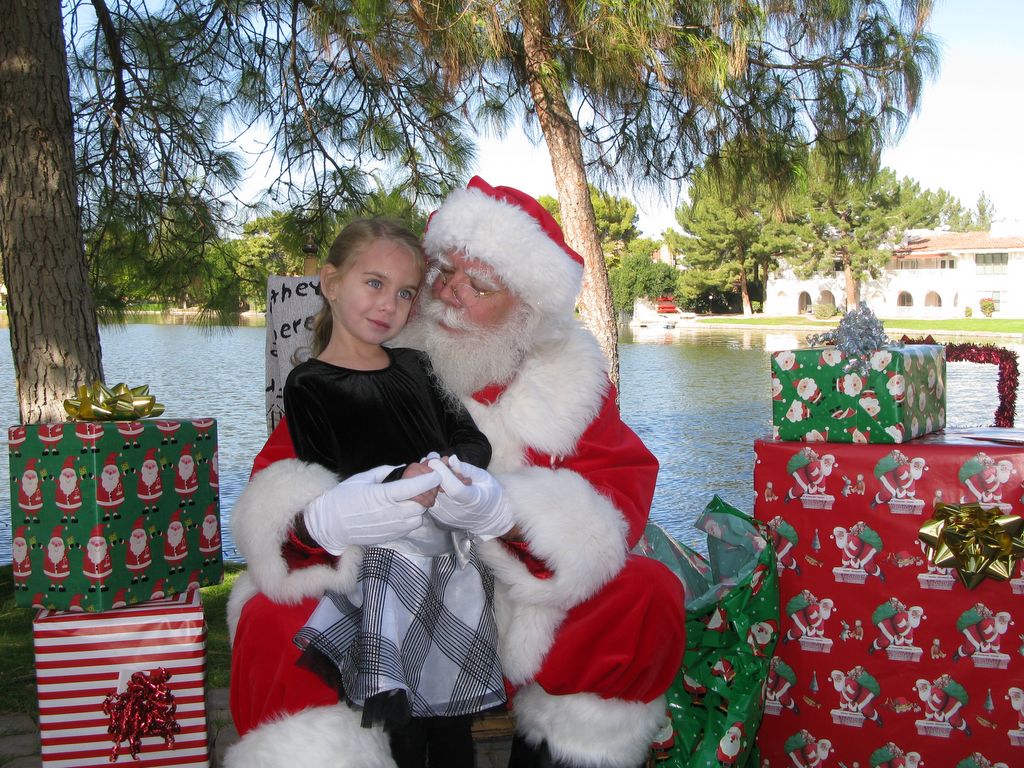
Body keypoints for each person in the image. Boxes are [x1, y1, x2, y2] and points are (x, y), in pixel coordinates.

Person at [227, 177, 687, 768]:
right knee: (271, 617)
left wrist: (509, 520)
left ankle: (566, 754)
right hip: (378, 591)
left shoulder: (571, 388)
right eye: (443, 271)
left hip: (508, 605)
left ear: (525, 308)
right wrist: (323, 520)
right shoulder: (371, 354)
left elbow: (615, 501)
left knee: (645, 596)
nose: (448, 293)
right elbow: (276, 480)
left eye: (479, 284)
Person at [281, 218, 506, 766]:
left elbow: (468, 437)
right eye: (374, 283)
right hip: (384, 568)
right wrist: (396, 483)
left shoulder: (416, 365)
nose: (389, 305)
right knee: (401, 730)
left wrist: (455, 474)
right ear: (331, 282)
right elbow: (328, 477)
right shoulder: (309, 384)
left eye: (405, 293)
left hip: (453, 560)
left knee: (454, 729)